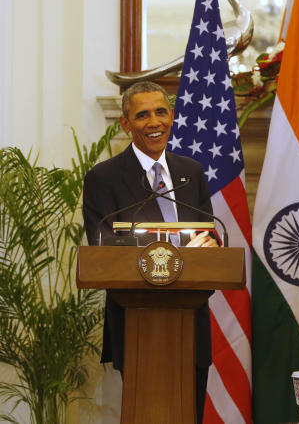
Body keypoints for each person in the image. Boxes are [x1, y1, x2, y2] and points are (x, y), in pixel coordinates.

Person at [83, 81, 217, 424]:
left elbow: (209, 242)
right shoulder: (104, 178)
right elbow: (105, 252)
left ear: (171, 116)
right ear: (126, 124)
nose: (154, 122)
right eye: (142, 115)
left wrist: (210, 250)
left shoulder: (192, 173)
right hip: (137, 324)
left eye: (161, 112)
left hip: (191, 322)